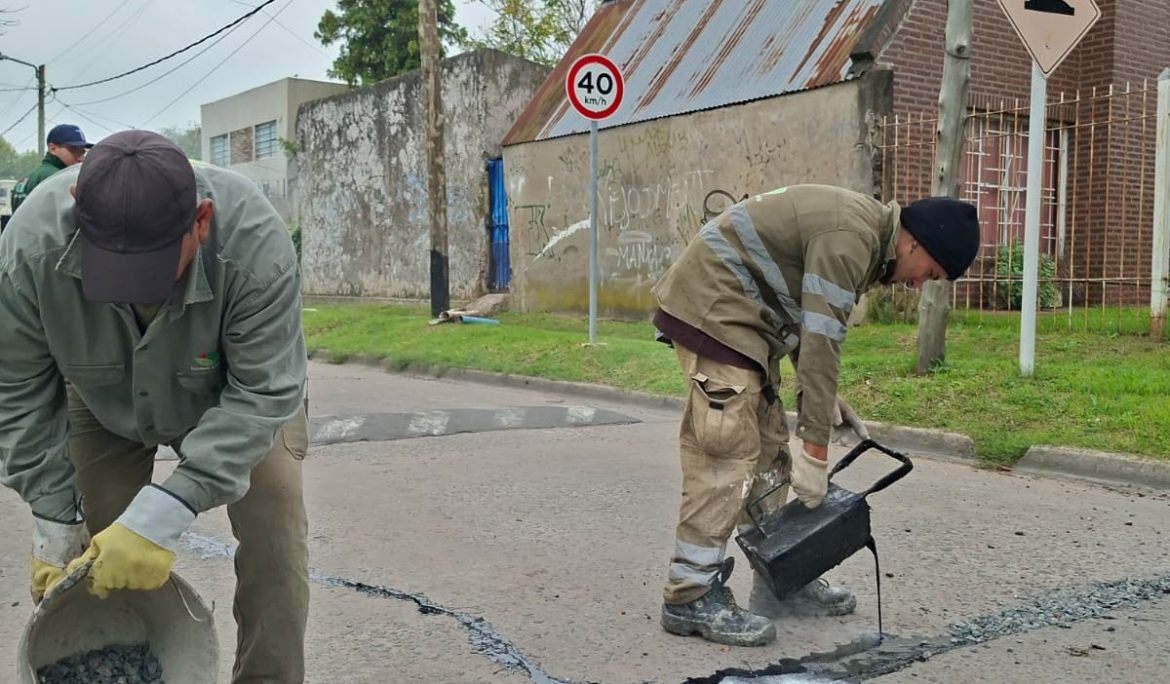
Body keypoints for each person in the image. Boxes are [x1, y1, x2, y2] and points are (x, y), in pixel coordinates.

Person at [0, 130, 310, 683]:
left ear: (202, 219)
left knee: (276, 552)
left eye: (152, 267)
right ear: (78, 210)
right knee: (95, 568)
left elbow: (264, 392)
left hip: (235, 399)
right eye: (112, 269)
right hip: (104, 403)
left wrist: (168, 510)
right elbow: (18, 392)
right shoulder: (29, 251)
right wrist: (52, 516)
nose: (132, 291)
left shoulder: (256, 246)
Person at [652, 184, 980, 647]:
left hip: (745, 322)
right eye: (928, 272)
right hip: (714, 309)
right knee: (725, 448)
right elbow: (824, 342)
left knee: (768, 449)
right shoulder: (852, 237)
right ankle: (690, 595)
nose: (918, 284)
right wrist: (815, 447)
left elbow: (809, 327)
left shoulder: (865, 241)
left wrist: (824, 404)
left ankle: (780, 575)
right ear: (914, 243)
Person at [10, 123, 94, 212]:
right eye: (74, 150)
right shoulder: (60, 178)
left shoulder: (24, 179)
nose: (81, 157)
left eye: (82, 152)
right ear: (52, 148)